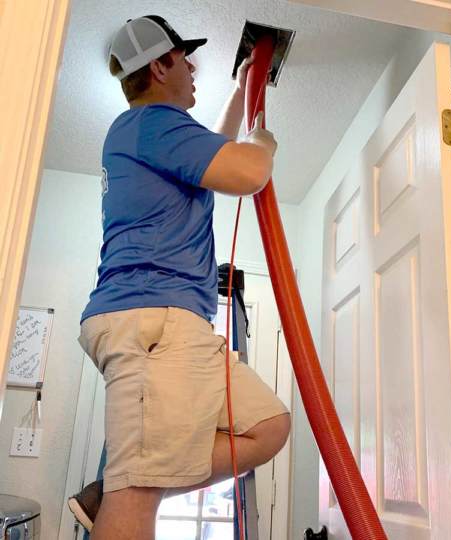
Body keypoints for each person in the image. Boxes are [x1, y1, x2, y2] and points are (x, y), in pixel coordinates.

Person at [68, 15, 290, 540]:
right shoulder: (150, 123)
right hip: (155, 322)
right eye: (184, 59)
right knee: (138, 498)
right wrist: (264, 141)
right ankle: (124, 489)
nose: (192, 69)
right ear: (161, 64)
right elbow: (247, 172)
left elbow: (215, 146)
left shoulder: (156, 136)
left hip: (173, 326)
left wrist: (242, 93)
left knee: (267, 427)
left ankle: (114, 487)